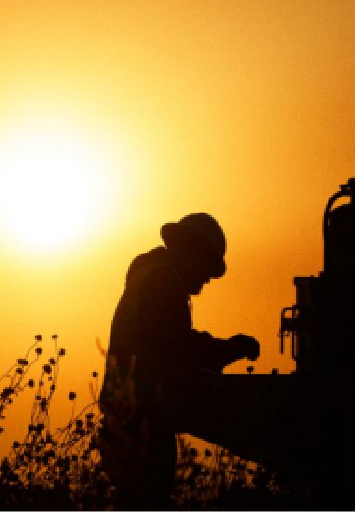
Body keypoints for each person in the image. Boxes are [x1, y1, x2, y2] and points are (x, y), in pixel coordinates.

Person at [97, 213, 260, 510]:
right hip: (142, 418)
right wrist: (230, 349)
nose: (208, 278)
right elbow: (177, 344)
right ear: (192, 251)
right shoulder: (162, 280)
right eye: (207, 267)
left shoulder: (149, 277)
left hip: (127, 416)